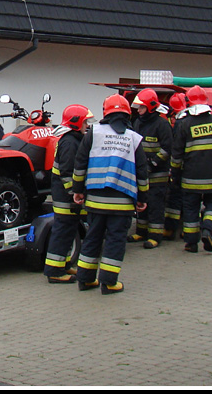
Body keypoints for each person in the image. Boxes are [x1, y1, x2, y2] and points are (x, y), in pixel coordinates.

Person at [71, 94, 149, 295]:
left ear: (106, 112)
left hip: (96, 201)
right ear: (126, 114)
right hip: (122, 203)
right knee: (115, 241)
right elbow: (142, 171)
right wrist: (142, 199)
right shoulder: (134, 138)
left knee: (93, 238)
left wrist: (78, 190)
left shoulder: (93, 132)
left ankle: (85, 280)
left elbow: (80, 165)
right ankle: (108, 282)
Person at [170, 85, 212, 253]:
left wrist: (175, 176)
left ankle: (191, 243)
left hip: (190, 178)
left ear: (188, 103)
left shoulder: (184, 125)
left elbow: (176, 156)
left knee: (191, 209)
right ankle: (208, 230)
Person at [44, 104, 94, 284]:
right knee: (63, 231)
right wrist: (76, 193)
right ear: (76, 122)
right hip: (66, 197)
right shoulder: (70, 143)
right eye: (85, 121)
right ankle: (54, 272)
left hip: (67, 196)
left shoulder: (72, 139)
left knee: (69, 230)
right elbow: (67, 173)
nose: (87, 125)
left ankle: (62, 265)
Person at [129, 89, 173, 249]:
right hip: (142, 172)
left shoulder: (162, 124)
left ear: (150, 107)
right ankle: (141, 231)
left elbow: (167, 149)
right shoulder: (138, 123)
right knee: (142, 202)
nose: (139, 111)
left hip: (158, 174)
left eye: (141, 107)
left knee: (156, 204)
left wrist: (152, 164)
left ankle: (155, 236)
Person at [163, 92, 189, 240]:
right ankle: (190, 229)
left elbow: (176, 148)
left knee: (174, 197)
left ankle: (170, 228)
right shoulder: (193, 119)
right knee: (191, 200)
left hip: (179, 167)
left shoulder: (180, 123)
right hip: (192, 167)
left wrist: (173, 169)